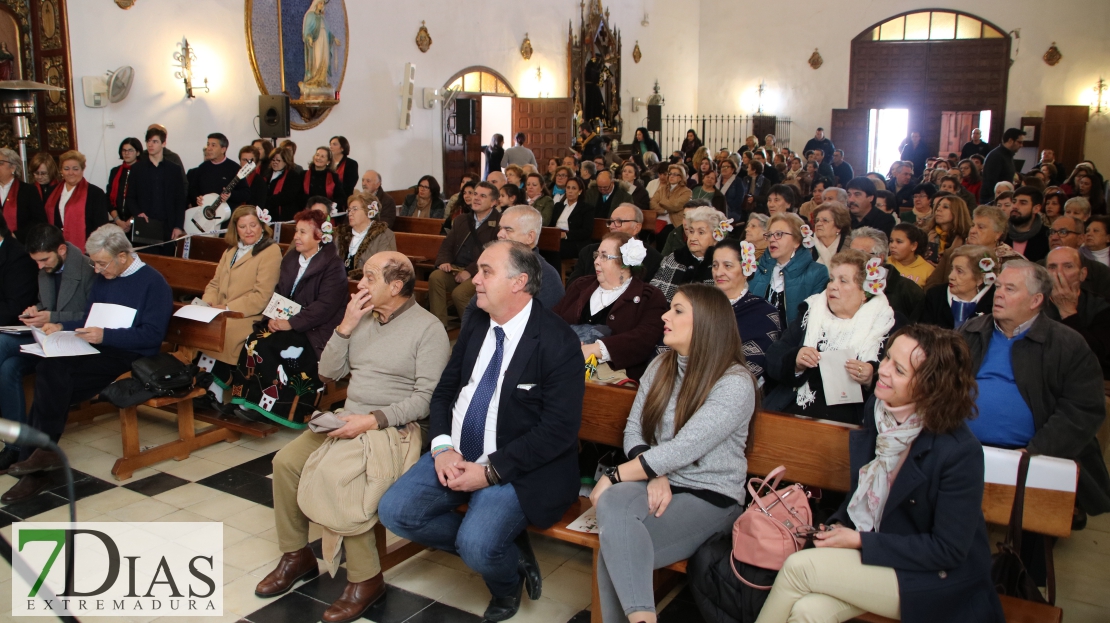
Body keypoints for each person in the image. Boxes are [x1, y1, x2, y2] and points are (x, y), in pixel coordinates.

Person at [379, 240, 584, 622]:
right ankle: (507, 551)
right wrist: (442, 447)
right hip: (456, 451)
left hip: (517, 465)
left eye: (486, 271)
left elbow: (558, 430)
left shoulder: (557, 341)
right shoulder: (476, 322)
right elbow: (444, 391)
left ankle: (505, 583)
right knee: (396, 513)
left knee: (477, 544)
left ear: (519, 282)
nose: (474, 280)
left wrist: (489, 472)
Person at [757, 324, 1006, 623]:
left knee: (800, 568)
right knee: (808, 612)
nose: (883, 370)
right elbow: (865, 493)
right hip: (880, 555)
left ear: (931, 386)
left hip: (934, 578)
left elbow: (948, 550)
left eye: (899, 370)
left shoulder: (959, 451)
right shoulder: (881, 410)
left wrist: (859, 541)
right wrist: (838, 529)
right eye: (887, 358)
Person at [256, 252, 450, 623]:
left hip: (395, 427)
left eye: (370, 278)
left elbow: (426, 400)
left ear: (395, 287)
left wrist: (372, 420)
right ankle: (296, 555)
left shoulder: (428, 329)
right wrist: (345, 326)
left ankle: (366, 579)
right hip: (348, 417)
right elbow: (328, 372)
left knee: (343, 476)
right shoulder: (361, 319)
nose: (360, 284)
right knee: (285, 463)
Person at [591, 284, 757, 623]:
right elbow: (634, 428)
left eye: (678, 310)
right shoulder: (661, 365)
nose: (665, 316)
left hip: (710, 496)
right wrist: (656, 473)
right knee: (615, 513)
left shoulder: (734, 382)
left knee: (615, 542)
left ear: (707, 323)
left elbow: (685, 448)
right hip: (660, 479)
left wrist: (616, 474)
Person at [2, 224, 172, 502]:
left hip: (129, 354)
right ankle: (41, 459)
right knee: (49, 367)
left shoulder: (153, 283)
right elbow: (88, 320)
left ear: (122, 256)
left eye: (101, 263)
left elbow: (152, 336)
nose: (96, 270)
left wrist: (106, 334)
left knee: (54, 380)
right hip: (95, 347)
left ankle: (35, 464)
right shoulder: (106, 277)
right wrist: (60, 325)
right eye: (93, 263)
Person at [961, 261, 1110, 519]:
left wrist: (1035, 451)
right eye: (998, 287)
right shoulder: (969, 331)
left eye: (1010, 288)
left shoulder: (1068, 344)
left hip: (1032, 455)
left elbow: (1082, 410)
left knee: (1029, 537)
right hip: (963, 448)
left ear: (1035, 300)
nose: (999, 294)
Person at [228, 209, 348, 427]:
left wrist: (290, 323)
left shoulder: (333, 265)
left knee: (276, 347)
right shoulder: (292, 258)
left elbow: (325, 307)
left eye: (302, 232)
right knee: (254, 341)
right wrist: (273, 318)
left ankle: (276, 408)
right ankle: (249, 400)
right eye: (296, 231)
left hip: (316, 331)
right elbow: (280, 292)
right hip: (289, 323)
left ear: (320, 235)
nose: (296, 237)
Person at [765, 250, 898, 425]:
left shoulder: (885, 325)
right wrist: (796, 359)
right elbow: (772, 358)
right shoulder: (811, 312)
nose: (832, 286)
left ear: (865, 293)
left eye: (843, 281)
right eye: (831, 279)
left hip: (850, 422)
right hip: (792, 410)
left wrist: (870, 377)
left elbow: (900, 383)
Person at [0, 224, 93, 470]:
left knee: (1, 344)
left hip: (73, 341)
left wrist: (52, 316)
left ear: (61, 249)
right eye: (36, 261)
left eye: (43, 260)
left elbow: (91, 316)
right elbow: (44, 303)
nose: (39, 267)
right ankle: (16, 446)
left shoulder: (87, 268)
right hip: (46, 339)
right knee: (9, 368)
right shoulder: (46, 267)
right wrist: (36, 312)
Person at [189, 206, 282, 407]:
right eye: (243, 226)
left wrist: (226, 308)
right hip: (221, 310)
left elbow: (261, 296)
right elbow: (214, 284)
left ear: (262, 226)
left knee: (225, 332)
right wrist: (209, 302)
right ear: (235, 229)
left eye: (253, 225)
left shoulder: (270, 251)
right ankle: (199, 385)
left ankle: (213, 390)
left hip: (247, 315)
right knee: (199, 326)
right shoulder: (231, 251)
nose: (249, 230)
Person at [553, 233, 667, 381]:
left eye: (604, 256)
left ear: (624, 265)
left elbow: (643, 340)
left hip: (611, 378)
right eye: (597, 255)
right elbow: (553, 320)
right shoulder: (580, 285)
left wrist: (595, 349)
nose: (596, 261)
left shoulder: (649, 297)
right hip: (561, 367)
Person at [460, 205, 565, 329]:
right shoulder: (498, 265)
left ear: (530, 237)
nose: (500, 234)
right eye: (500, 228)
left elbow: (538, 326)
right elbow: (473, 308)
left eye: (508, 230)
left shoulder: (546, 276)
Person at [429, 181, 501, 327]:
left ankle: (473, 329)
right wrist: (444, 261)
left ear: (493, 202)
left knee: (459, 294)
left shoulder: (499, 222)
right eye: (475, 194)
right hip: (456, 268)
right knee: (436, 277)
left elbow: (493, 254)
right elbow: (447, 244)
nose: (476, 198)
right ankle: (439, 327)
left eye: (482, 196)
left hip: (482, 273)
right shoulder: (462, 219)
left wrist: (470, 271)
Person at [711, 238, 781, 381]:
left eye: (728, 266)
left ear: (745, 270)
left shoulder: (763, 313)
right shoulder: (699, 305)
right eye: (715, 265)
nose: (719, 273)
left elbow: (751, 367)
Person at [748, 213, 828, 326]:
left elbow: (812, 322)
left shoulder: (817, 273)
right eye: (769, 235)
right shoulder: (757, 270)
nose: (772, 239)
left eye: (779, 234)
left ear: (796, 241)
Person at [1044, 247, 1110, 378]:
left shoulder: (1102, 307)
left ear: (1082, 274)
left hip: (1086, 381)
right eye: (1052, 267)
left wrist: (1068, 312)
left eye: (1068, 266)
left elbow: (1096, 357)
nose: (1059, 273)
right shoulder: (1032, 304)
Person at [569, 204, 662, 287]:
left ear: (636, 228)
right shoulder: (589, 252)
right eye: (611, 221)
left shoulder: (653, 258)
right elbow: (572, 287)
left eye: (619, 221)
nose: (612, 226)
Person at [848, 227, 924, 322]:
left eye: (860, 254)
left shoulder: (908, 290)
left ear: (879, 257)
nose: (851, 258)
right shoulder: (837, 283)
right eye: (850, 253)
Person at [651, 206, 727, 302]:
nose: (693, 237)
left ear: (716, 237)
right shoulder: (673, 259)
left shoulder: (721, 267)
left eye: (701, 232)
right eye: (691, 231)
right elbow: (653, 293)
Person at [43, 151, 111, 253]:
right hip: (56, 248)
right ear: (61, 170)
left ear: (82, 169)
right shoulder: (51, 191)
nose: (71, 173)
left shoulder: (95, 193)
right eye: (66, 169)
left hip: (87, 250)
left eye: (75, 169)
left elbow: (101, 227)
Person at [921, 244, 997, 330]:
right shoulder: (935, 296)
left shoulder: (995, 300)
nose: (951, 276)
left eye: (959, 271)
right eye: (952, 269)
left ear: (980, 278)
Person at [336, 193, 397, 280]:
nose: (350, 213)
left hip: (368, 285)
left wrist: (354, 278)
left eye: (355, 209)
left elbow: (384, 267)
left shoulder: (384, 235)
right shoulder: (342, 234)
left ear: (369, 212)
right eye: (349, 210)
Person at [187, 133, 250, 209]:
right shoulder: (203, 167)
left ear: (223, 149)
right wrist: (197, 198)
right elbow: (193, 189)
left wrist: (231, 195)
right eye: (208, 144)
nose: (209, 148)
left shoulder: (235, 168)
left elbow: (246, 193)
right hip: (206, 214)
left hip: (227, 216)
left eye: (213, 145)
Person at [0, 146, 45, 241]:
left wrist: (16, 235)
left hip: (21, 245)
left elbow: (39, 221)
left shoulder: (28, 190)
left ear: (13, 167)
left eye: (1, 163)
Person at [550, 176, 594, 259]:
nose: (570, 191)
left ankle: (556, 272)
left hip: (575, 242)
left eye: (574, 188)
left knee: (556, 250)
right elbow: (552, 225)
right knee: (543, 247)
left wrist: (566, 235)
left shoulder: (586, 208)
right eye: (568, 188)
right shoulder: (558, 206)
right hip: (556, 239)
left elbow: (586, 231)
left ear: (580, 191)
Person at [1003, 186, 1050, 262]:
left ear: (1036, 208)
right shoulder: (1001, 233)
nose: (1015, 206)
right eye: (1014, 202)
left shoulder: (1046, 236)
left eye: (1023, 203)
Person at [980, 128, 1024, 204]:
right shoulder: (996, 156)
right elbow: (991, 182)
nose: (1021, 145)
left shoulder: (1007, 155)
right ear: (1010, 140)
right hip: (994, 200)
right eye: (1019, 142)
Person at [924, 194, 970, 265]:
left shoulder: (966, 238)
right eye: (938, 206)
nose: (938, 209)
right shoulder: (926, 233)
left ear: (957, 212)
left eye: (945, 207)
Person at [263, 145, 305, 222]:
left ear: (286, 162)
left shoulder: (293, 176)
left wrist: (267, 200)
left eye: (278, 160)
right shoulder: (267, 174)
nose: (275, 162)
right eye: (273, 160)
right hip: (267, 214)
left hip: (285, 215)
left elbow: (287, 196)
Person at [810, 202, 850, 267]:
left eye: (825, 220)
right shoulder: (806, 245)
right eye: (817, 220)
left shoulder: (851, 246)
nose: (818, 224)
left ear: (838, 226)